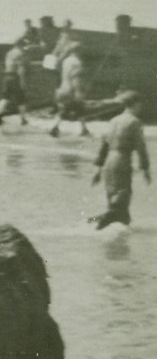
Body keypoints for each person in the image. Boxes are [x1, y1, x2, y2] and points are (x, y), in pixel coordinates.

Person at [90, 90, 150, 229]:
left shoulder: (113, 120)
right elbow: (140, 147)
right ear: (135, 103)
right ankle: (98, 223)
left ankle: (119, 234)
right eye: (140, 104)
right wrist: (145, 168)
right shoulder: (135, 122)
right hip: (122, 160)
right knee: (122, 197)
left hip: (109, 162)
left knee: (115, 202)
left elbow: (104, 145)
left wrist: (98, 168)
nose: (141, 107)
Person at [49, 43, 88, 137]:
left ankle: (84, 129)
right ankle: (55, 127)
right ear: (78, 51)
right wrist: (78, 92)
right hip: (71, 90)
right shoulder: (77, 62)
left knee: (67, 109)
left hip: (63, 88)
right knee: (79, 107)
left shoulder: (66, 61)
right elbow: (75, 78)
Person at [0, 37, 29, 126]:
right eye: (24, 45)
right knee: (21, 98)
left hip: (7, 76)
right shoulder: (21, 53)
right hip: (15, 77)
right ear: (21, 45)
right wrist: (22, 82)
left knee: (5, 96)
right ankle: (23, 119)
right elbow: (21, 69)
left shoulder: (9, 53)